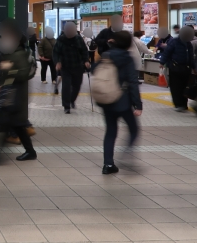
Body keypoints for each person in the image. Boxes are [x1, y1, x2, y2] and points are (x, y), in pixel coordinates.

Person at [0, 19, 37, 164]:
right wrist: (2, 85)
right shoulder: (12, 52)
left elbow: (21, 75)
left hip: (17, 95)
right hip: (11, 93)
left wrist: (7, 68)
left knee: (9, 123)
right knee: (18, 125)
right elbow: (11, 76)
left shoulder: (19, 53)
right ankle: (30, 151)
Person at [96, 30, 142, 175]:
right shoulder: (127, 58)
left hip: (106, 99)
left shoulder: (107, 55)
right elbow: (133, 82)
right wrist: (137, 104)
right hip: (122, 101)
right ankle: (126, 154)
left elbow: (95, 71)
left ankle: (108, 164)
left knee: (110, 131)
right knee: (134, 129)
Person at [53, 22, 90, 114]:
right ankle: (66, 106)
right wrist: (57, 62)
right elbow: (55, 52)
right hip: (65, 66)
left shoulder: (78, 39)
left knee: (77, 85)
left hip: (78, 66)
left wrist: (86, 61)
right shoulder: (60, 40)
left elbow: (84, 51)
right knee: (66, 86)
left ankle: (72, 100)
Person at [159, 26, 195, 112]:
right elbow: (167, 52)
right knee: (176, 86)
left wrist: (194, 67)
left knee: (185, 86)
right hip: (175, 67)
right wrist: (162, 62)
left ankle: (184, 104)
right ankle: (178, 104)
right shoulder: (174, 41)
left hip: (186, 68)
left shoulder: (188, 43)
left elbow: (190, 57)